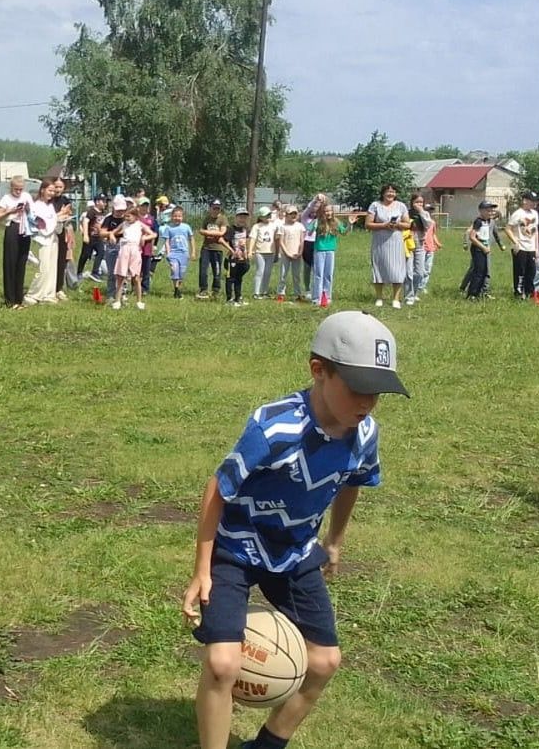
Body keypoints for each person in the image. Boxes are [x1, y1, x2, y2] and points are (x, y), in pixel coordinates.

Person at [181, 310, 409, 749]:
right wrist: (202, 570)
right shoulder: (275, 425)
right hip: (236, 548)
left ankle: (267, 745)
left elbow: (352, 483)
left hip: (296, 552)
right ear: (319, 371)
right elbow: (219, 488)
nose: (367, 403)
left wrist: (335, 541)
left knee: (324, 662)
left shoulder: (365, 434)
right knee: (223, 664)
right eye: (358, 388)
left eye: (377, 393)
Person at [23, 181, 69, 306]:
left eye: (53, 191)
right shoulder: (36, 205)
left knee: (51, 268)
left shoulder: (50, 206)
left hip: (53, 238)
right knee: (43, 268)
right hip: (42, 239)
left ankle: (48, 293)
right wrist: (57, 219)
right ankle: (33, 294)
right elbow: (40, 223)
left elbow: (53, 220)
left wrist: (60, 219)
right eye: (50, 190)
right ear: (42, 190)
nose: (52, 193)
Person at [367, 184, 409, 309]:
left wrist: (397, 224)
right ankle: (379, 297)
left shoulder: (401, 206)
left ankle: (396, 298)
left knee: (397, 269)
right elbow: (368, 224)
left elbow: (408, 224)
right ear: (383, 193)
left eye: (393, 192)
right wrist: (384, 225)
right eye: (388, 191)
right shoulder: (375, 205)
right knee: (379, 268)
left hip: (396, 241)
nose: (390, 194)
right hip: (380, 241)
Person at [110, 204, 157, 310]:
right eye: (125, 216)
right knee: (121, 276)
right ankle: (117, 301)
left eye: (128, 216)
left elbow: (153, 234)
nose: (126, 218)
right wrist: (112, 237)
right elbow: (113, 233)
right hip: (124, 250)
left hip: (135, 250)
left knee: (136, 277)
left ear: (135, 216)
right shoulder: (124, 224)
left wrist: (144, 237)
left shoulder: (140, 225)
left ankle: (139, 301)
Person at [0, 177, 32, 308]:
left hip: (25, 229)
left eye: (20, 189)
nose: (18, 191)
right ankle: (10, 300)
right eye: (16, 189)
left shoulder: (27, 196)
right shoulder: (6, 198)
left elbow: (32, 213)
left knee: (21, 263)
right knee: (10, 263)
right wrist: (10, 211)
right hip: (12, 227)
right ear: (11, 187)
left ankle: (19, 299)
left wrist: (27, 209)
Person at [310, 204, 356, 306]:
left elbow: (344, 232)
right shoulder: (317, 221)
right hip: (319, 250)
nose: (329, 213)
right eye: (326, 211)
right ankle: (316, 298)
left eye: (330, 211)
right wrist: (313, 228)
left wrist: (350, 224)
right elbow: (309, 232)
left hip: (330, 251)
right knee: (318, 274)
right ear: (322, 212)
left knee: (328, 274)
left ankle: (327, 297)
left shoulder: (336, 222)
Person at [504, 192, 539, 300]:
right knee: (520, 272)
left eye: (535, 201)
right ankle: (519, 293)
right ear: (525, 200)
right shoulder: (518, 214)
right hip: (520, 247)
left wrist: (536, 248)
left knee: (531, 271)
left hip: (531, 247)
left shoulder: (535, 213)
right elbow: (508, 228)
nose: (534, 203)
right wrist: (515, 242)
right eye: (532, 201)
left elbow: (536, 231)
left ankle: (529, 293)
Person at [465, 200, 499, 301]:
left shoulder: (488, 221)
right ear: (481, 211)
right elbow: (472, 237)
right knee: (478, 272)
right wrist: (483, 247)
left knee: (484, 271)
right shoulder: (478, 221)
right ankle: (472, 294)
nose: (490, 212)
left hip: (484, 248)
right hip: (478, 249)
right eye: (488, 210)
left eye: (491, 210)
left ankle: (479, 292)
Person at [159, 206, 195, 299]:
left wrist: (193, 252)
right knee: (174, 270)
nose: (177, 218)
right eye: (175, 216)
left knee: (181, 273)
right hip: (173, 253)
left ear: (182, 217)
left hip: (184, 253)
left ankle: (179, 289)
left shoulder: (186, 227)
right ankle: (176, 289)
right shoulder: (169, 228)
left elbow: (191, 239)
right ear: (172, 217)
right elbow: (166, 241)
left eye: (179, 216)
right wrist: (168, 253)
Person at [99, 195, 129, 301]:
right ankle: (111, 295)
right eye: (118, 210)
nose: (120, 212)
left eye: (122, 210)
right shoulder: (109, 219)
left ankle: (123, 294)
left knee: (123, 272)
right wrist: (110, 234)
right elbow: (102, 232)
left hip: (125, 247)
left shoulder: (127, 219)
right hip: (112, 247)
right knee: (112, 273)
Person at [404, 193, 431, 306]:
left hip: (420, 243)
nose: (419, 204)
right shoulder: (406, 213)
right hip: (408, 243)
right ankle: (408, 296)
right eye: (417, 202)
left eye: (421, 202)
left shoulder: (425, 213)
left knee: (420, 272)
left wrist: (421, 211)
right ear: (411, 202)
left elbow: (428, 225)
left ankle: (415, 293)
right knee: (408, 272)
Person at [197, 199, 228, 300]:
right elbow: (200, 230)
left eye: (218, 208)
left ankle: (216, 289)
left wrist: (207, 233)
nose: (216, 210)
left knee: (217, 271)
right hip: (206, 248)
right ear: (210, 208)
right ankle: (203, 289)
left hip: (217, 249)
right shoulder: (207, 219)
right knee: (203, 270)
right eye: (214, 208)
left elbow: (222, 233)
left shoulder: (223, 219)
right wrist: (212, 233)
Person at [299, 194, 327, 301]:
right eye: (314, 206)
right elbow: (309, 207)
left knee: (318, 268)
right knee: (307, 267)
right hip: (307, 243)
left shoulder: (321, 219)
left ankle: (318, 289)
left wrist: (323, 201)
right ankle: (307, 289)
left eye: (318, 206)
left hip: (318, 243)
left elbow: (327, 210)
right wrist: (316, 199)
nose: (315, 208)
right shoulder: (305, 217)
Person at [275, 205, 305, 301]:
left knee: (296, 275)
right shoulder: (282, 227)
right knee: (283, 275)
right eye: (291, 214)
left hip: (297, 254)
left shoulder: (300, 226)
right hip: (285, 254)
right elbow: (281, 241)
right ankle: (281, 293)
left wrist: (300, 252)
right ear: (286, 215)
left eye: (295, 214)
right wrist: (287, 253)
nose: (293, 216)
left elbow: (302, 241)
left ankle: (298, 293)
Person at [222, 208, 251, 306]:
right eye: (240, 217)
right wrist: (231, 250)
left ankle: (238, 298)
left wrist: (247, 253)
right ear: (236, 217)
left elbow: (246, 242)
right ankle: (229, 299)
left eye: (244, 217)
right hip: (232, 259)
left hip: (242, 259)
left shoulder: (245, 229)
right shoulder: (231, 229)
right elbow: (222, 240)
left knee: (239, 278)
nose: (242, 219)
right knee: (230, 278)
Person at [248, 206, 278, 299]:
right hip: (260, 252)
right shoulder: (257, 226)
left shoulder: (274, 226)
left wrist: (277, 252)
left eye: (269, 214)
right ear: (261, 217)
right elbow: (253, 239)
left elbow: (276, 239)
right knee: (260, 271)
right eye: (266, 215)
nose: (268, 216)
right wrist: (250, 251)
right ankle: (256, 292)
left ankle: (265, 292)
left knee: (268, 272)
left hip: (270, 252)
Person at [418, 203, 443, 295]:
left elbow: (433, 234)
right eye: (428, 210)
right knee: (420, 269)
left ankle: (422, 286)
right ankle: (417, 286)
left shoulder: (432, 223)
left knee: (427, 269)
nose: (430, 212)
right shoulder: (420, 221)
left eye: (431, 210)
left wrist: (437, 243)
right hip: (421, 247)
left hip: (430, 248)